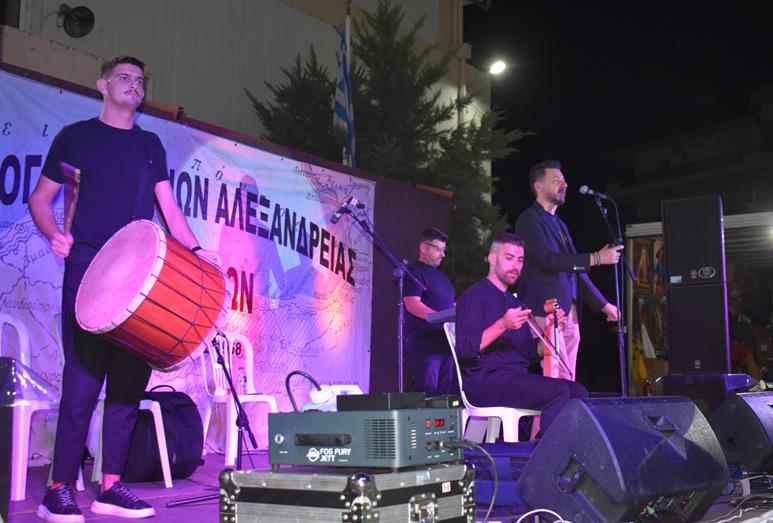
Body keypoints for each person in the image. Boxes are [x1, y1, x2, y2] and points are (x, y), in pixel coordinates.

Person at [29, 56, 204, 522]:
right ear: (102, 85)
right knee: (83, 383)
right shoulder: (76, 137)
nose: (134, 84)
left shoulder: (150, 145)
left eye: (140, 80)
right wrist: (54, 233)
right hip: (88, 271)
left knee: (128, 384)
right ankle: (58, 490)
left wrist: (196, 251)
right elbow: (40, 199)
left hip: (140, 279)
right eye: (124, 77)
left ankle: (110, 487)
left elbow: (168, 207)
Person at [455, 233, 588, 433]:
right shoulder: (474, 296)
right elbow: (465, 349)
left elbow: (531, 352)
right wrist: (502, 325)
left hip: (515, 378)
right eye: (509, 258)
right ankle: (549, 450)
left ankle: (568, 448)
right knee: (558, 391)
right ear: (492, 259)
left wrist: (552, 330)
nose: (516, 265)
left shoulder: (515, 302)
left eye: (520, 260)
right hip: (485, 381)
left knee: (578, 391)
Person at [515, 160, 622, 380]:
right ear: (538, 186)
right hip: (545, 309)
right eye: (556, 180)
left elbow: (575, 270)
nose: (564, 185)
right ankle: (556, 405)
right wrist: (596, 258)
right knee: (556, 374)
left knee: (567, 376)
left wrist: (603, 305)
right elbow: (548, 260)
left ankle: (566, 404)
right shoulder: (529, 219)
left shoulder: (560, 224)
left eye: (564, 181)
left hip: (568, 311)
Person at [404, 227, 458, 395]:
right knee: (428, 392)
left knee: (445, 394)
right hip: (425, 344)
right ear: (423, 247)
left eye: (444, 250)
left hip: (446, 343)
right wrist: (438, 317)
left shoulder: (444, 278)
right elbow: (412, 304)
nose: (443, 255)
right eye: (438, 249)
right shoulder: (414, 272)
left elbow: (450, 306)